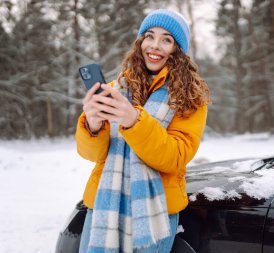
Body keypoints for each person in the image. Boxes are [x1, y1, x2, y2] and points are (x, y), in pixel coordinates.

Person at [75, 9, 211, 253]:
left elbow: (175, 157)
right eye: (149, 36)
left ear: (178, 50)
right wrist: (92, 125)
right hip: (105, 206)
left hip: (154, 212)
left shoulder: (190, 98)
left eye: (166, 39)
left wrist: (134, 122)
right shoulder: (117, 88)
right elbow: (93, 156)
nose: (155, 45)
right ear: (140, 42)